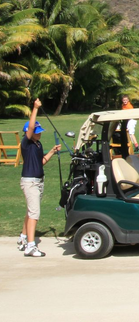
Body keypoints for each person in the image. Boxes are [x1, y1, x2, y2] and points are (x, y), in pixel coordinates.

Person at [18, 98, 61, 258]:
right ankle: (30, 246)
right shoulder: (26, 143)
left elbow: (41, 162)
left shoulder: (37, 145)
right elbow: (30, 127)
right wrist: (35, 108)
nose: (39, 133)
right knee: (34, 213)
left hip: (38, 181)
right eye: (37, 131)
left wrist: (51, 151)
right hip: (30, 182)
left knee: (31, 212)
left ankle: (23, 238)